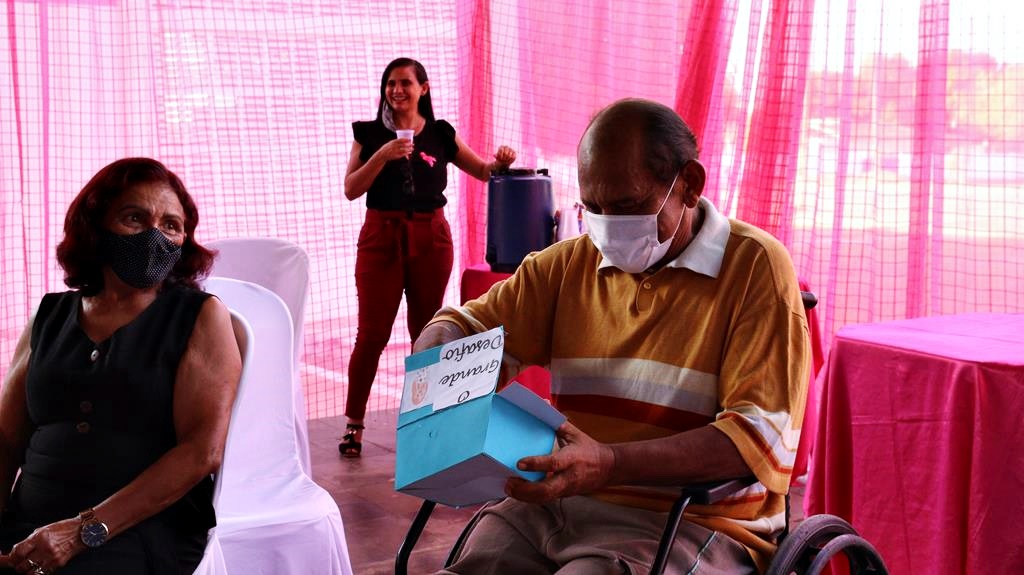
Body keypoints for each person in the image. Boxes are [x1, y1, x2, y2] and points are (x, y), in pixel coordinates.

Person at [413, 99, 810, 574]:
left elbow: (752, 439)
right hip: (556, 504)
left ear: (689, 185)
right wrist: (441, 345)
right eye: (593, 208)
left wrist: (607, 464)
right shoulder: (566, 265)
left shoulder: (755, 269)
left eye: (627, 206)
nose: (608, 226)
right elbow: (467, 324)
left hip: (693, 520)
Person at [0, 158, 242, 575]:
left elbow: (202, 451)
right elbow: (6, 440)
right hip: (30, 521)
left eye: (171, 225)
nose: (154, 236)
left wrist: (81, 532)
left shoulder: (199, 316)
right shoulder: (50, 315)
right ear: (96, 227)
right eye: (134, 218)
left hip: (137, 529)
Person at [340, 57, 517, 457]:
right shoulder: (368, 134)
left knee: (427, 332)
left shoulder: (441, 134)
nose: (396, 90)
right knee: (371, 334)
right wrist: (382, 155)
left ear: (424, 88)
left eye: (405, 82)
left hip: (432, 238)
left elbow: (485, 172)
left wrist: (501, 162)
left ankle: (429, 421)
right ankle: (354, 424)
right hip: (380, 237)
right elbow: (351, 188)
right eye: (390, 83)